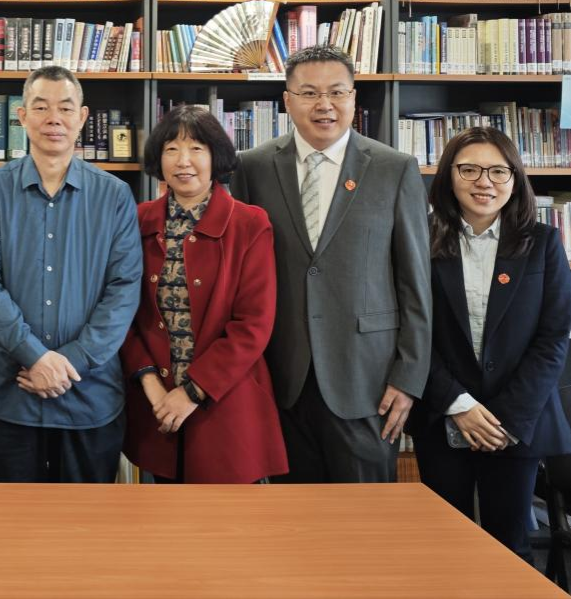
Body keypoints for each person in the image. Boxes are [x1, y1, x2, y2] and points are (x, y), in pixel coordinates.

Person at [229, 46, 431, 483]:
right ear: (287, 101)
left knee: (364, 516)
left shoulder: (394, 169)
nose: (324, 105)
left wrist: (408, 377)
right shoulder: (252, 167)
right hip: (281, 377)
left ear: (354, 98)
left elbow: (415, 282)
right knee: (289, 515)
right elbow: (239, 279)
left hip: (367, 380)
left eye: (337, 92)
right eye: (309, 93)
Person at [0, 66, 141, 483]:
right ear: (22, 117)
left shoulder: (114, 196)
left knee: (87, 519)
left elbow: (124, 289)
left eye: (65, 108)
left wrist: (69, 363)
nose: (53, 118)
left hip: (89, 395)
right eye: (41, 108)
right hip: (9, 394)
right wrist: (35, 357)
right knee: (10, 517)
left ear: (82, 117)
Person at [409, 126, 571, 561]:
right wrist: (458, 404)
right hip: (442, 414)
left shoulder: (542, 242)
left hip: (516, 421)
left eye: (498, 171)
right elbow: (410, 331)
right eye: (470, 170)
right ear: (449, 176)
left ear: (515, 179)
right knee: (444, 546)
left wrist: (506, 419)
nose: (485, 182)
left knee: (510, 549)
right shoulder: (418, 238)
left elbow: (553, 337)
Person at [121, 105, 287, 483]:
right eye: (171, 149)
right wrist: (149, 382)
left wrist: (192, 392)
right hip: (155, 404)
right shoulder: (137, 220)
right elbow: (121, 311)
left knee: (227, 517)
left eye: (196, 148)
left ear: (216, 157)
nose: (184, 161)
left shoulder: (249, 223)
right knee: (160, 515)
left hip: (225, 404)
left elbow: (254, 324)